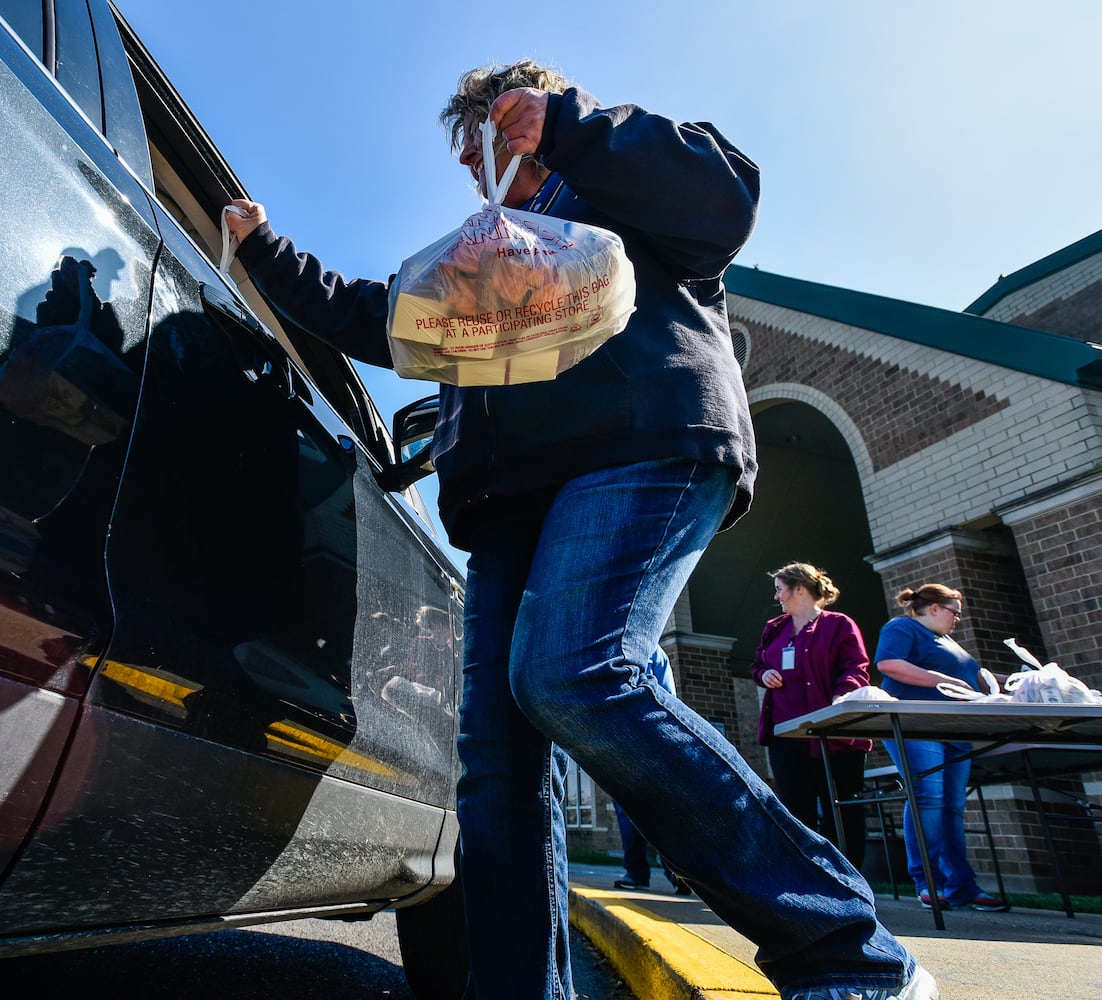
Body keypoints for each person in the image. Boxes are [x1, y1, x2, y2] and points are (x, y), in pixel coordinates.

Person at [224, 59, 933, 1000]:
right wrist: (265, 251)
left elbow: (725, 200)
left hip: (643, 443)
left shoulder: (608, 184)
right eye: (468, 161)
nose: (480, 173)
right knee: (495, 770)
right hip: (512, 504)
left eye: (490, 142)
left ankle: (849, 952)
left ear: (516, 120)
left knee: (574, 673)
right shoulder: (480, 258)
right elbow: (381, 316)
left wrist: (569, 125)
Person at [874, 584, 1009, 912]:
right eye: (954, 611)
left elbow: (977, 680)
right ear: (933, 608)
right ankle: (928, 882)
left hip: (954, 729)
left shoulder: (950, 642)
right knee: (928, 798)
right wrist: (936, 680)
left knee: (952, 805)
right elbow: (889, 664)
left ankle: (962, 887)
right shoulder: (903, 627)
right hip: (915, 725)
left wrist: (1030, 682)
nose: (958, 618)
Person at [751, 563, 873, 873]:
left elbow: (855, 668)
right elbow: (757, 665)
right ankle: (803, 878)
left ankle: (846, 879)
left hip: (833, 734)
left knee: (842, 809)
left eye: (780, 589)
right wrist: (764, 674)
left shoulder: (839, 625)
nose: (777, 596)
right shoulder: (774, 628)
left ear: (800, 589)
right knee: (795, 807)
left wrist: (842, 697)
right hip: (787, 734)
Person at [612, 648, 690, 895]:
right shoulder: (609, 646)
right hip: (621, 744)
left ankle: (677, 871)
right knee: (628, 812)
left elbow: (669, 699)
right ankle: (635, 872)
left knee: (664, 811)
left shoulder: (655, 654)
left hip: (652, 742)